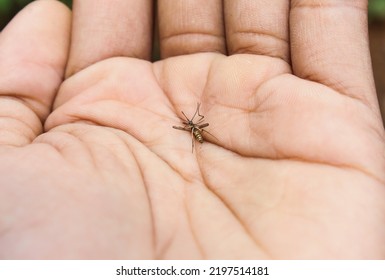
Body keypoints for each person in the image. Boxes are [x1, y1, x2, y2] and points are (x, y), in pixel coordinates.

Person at [0, 0, 384, 259]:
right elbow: (191, 123)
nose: (191, 125)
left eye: (192, 124)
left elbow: (195, 121)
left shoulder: (194, 124)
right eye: (190, 124)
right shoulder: (189, 125)